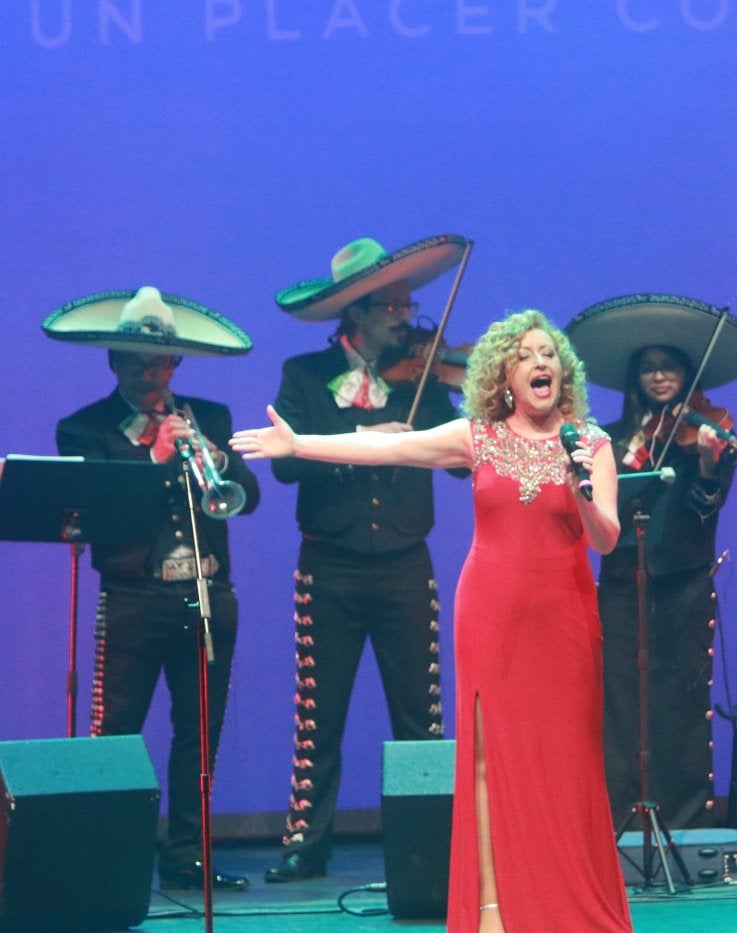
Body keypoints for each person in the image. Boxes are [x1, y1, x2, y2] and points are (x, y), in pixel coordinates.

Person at [233, 309, 631, 933]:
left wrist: (581, 488)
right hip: (492, 609)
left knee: (569, 759)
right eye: (525, 354)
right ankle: (494, 911)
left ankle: (569, 905)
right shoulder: (478, 437)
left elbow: (605, 539)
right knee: (484, 757)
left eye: (549, 353)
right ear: (505, 373)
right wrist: (298, 443)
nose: (540, 363)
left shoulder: (592, 445)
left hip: (564, 615)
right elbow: (384, 446)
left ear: (564, 370)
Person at [262, 235, 470, 882]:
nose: (406, 315)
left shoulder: (425, 377)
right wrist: (361, 437)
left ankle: (431, 840)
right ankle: (306, 839)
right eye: (392, 305)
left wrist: (462, 392)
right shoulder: (304, 376)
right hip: (331, 564)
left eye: (408, 303)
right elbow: (289, 465)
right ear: (356, 313)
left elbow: (463, 464)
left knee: (421, 709)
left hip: (407, 559)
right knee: (319, 710)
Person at [45, 286, 260, 891]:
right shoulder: (84, 429)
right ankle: (110, 855)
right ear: (114, 362)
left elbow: (248, 500)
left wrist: (213, 456)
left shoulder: (207, 417)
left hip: (207, 594)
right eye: (139, 361)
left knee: (200, 732)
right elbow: (104, 514)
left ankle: (189, 852)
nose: (152, 373)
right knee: (116, 731)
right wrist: (158, 461)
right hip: (134, 598)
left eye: (163, 362)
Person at [567, 294, 737, 831]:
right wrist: (627, 455)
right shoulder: (608, 438)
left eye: (669, 367)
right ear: (636, 379)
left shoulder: (708, 433)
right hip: (620, 584)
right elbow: (606, 511)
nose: (659, 377)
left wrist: (705, 464)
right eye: (650, 369)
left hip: (682, 582)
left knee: (680, 699)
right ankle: (619, 821)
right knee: (621, 703)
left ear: (685, 374)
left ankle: (684, 820)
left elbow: (707, 510)